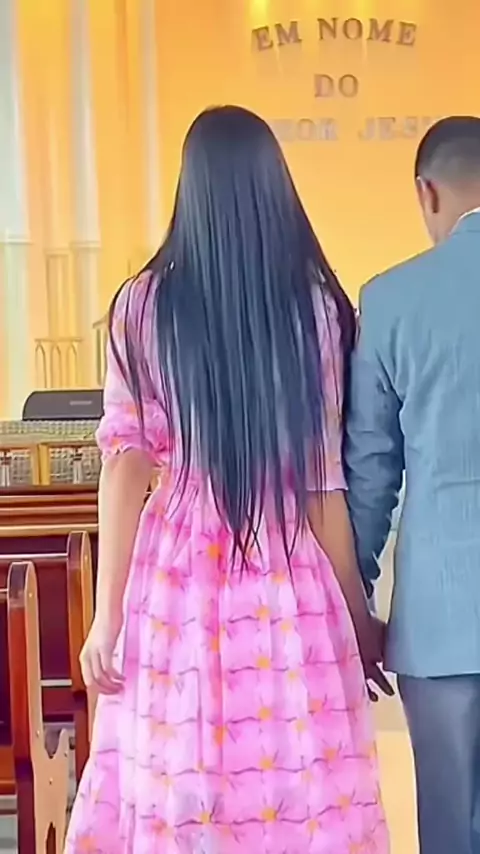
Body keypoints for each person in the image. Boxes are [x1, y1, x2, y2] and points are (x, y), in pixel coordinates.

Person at [65, 106, 390, 853]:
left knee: (178, 766)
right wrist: (358, 617)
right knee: (293, 775)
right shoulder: (315, 309)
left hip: (175, 571)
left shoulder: (142, 304)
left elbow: (124, 463)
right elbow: (322, 489)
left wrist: (107, 617)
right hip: (286, 573)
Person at [345, 115, 480, 854]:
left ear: (428, 193)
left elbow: (370, 475)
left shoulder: (391, 300)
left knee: (452, 828)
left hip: (440, 616)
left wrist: (356, 603)